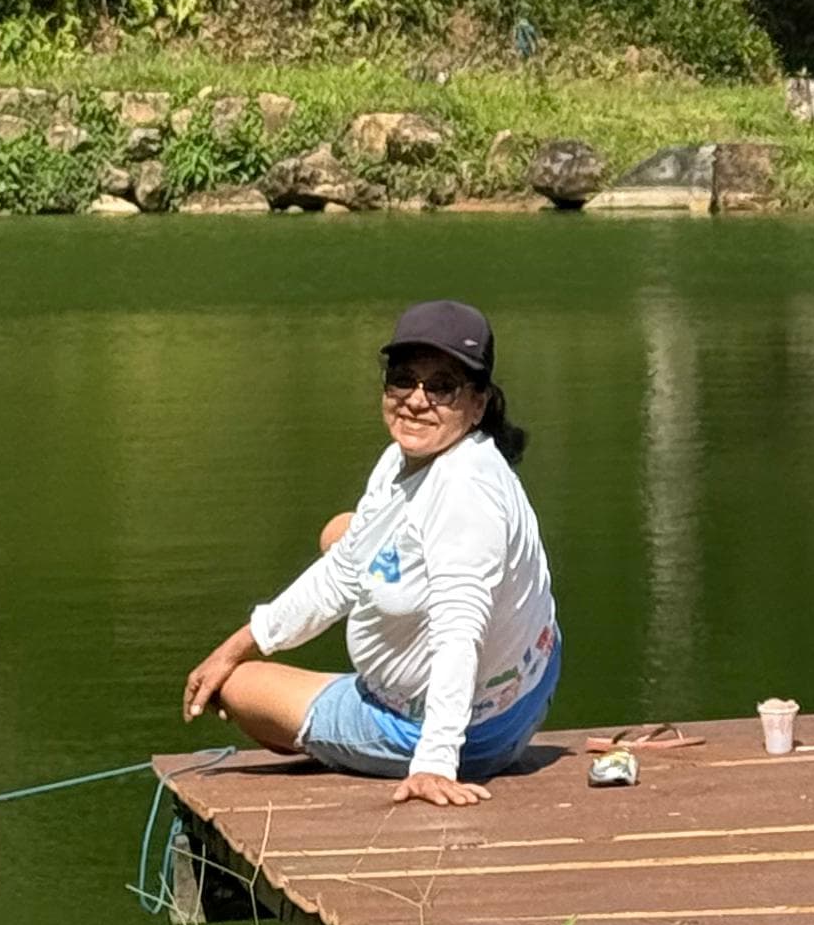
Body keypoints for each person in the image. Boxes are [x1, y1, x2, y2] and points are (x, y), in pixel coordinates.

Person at [180, 297, 560, 809]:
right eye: (403, 379)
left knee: (240, 689)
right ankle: (351, 724)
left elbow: (458, 633)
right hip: (531, 677)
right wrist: (237, 642)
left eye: (442, 386)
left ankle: (362, 742)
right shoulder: (405, 459)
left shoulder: (466, 495)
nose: (416, 400)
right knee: (339, 534)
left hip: (466, 731)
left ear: (478, 404)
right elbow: (340, 573)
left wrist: (434, 763)